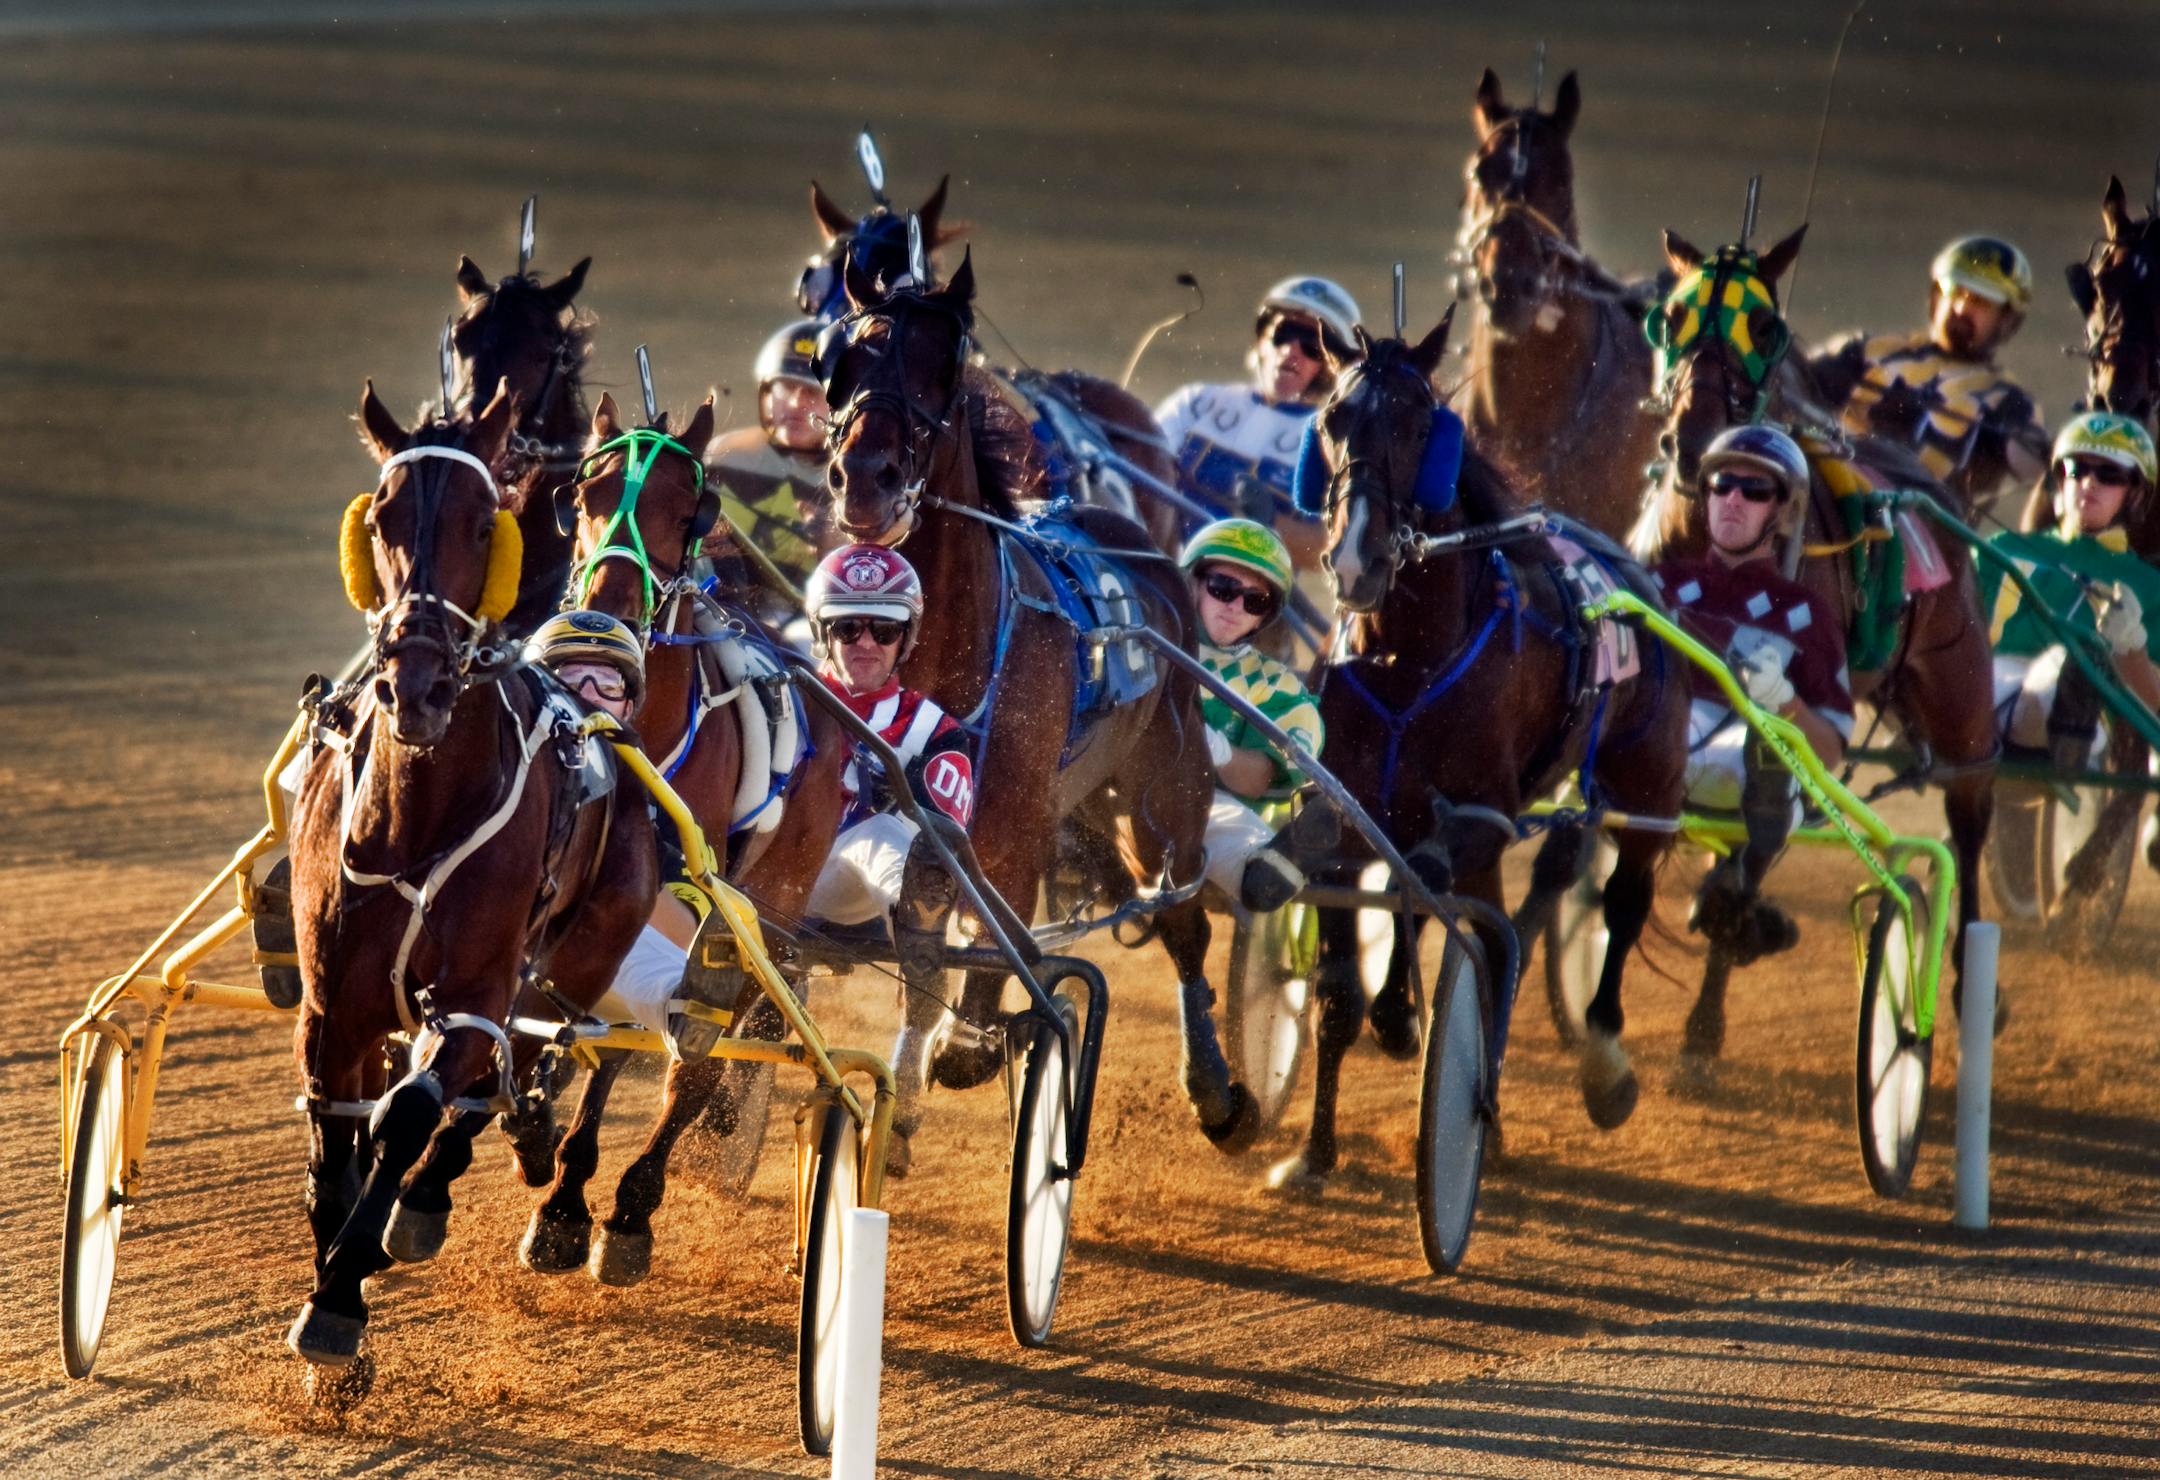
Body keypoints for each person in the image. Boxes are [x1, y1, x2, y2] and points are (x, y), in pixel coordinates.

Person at [800, 543, 976, 1172]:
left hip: (861, 879)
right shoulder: (786, 699)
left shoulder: (936, 731)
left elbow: (949, 824)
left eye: (884, 627)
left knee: (907, 845)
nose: (865, 642)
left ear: (907, 638)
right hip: (782, 871)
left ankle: (906, 1083)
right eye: (847, 626)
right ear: (825, 631)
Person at [1652, 425, 1853, 964]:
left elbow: (1830, 753)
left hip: (1740, 773)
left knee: (1766, 747)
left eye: (1754, 489)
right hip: (1649, 744)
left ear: (1783, 513)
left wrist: (1784, 701)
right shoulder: (1657, 583)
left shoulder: (1806, 615)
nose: (1733, 499)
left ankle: (1740, 881)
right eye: (1721, 484)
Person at [526, 609, 738, 1061]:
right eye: (569, 677)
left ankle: (683, 1006)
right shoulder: (502, 781)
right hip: (498, 948)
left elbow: (686, 919)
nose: (587, 696)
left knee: (605, 927)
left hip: (589, 957)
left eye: (606, 681)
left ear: (628, 704)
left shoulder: (659, 803)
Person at [1809, 234, 2049, 517]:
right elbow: (1790, 385)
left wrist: (2048, 454)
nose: (1961, 308)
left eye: (1981, 302)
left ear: (2007, 318)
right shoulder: (1868, 351)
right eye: (1955, 291)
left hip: (1923, 533)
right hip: (1831, 499)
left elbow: (2033, 466)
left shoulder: (2008, 399)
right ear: (1936, 295)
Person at [1977, 412, 2160, 770]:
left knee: (2063, 670)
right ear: (2060, 481)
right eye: (2077, 470)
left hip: (2084, 720)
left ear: (2136, 494)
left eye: (2109, 475)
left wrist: (2132, 648)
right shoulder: (2000, 548)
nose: (2089, 483)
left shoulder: (2147, 584)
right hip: (1983, 689)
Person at [1180, 518, 1337, 910]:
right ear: (1193, 583)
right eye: (1223, 588)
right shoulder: (1138, 642)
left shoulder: (1274, 687)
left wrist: (1218, 750)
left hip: (1200, 808)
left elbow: (1258, 781)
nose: (1235, 607)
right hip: (1106, 787)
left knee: (1212, 815)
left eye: (1255, 600)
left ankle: (1268, 868)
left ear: (1265, 615)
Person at [1155, 276, 1361, 562]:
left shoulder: (1331, 439)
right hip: (1154, 564)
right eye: (1283, 334)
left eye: (1312, 345)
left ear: (1331, 366)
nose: (1292, 351)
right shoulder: (1197, 401)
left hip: (1237, 593)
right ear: (1263, 340)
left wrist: (1268, 522)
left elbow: (1330, 545)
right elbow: (1135, 470)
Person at [701, 318, 828, 630]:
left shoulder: (864, 477)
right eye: (786, 387)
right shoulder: (722, 458)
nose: (797, 404)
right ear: (766, 391)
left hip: (819, 628)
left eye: (814, 391)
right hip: (724, 614)